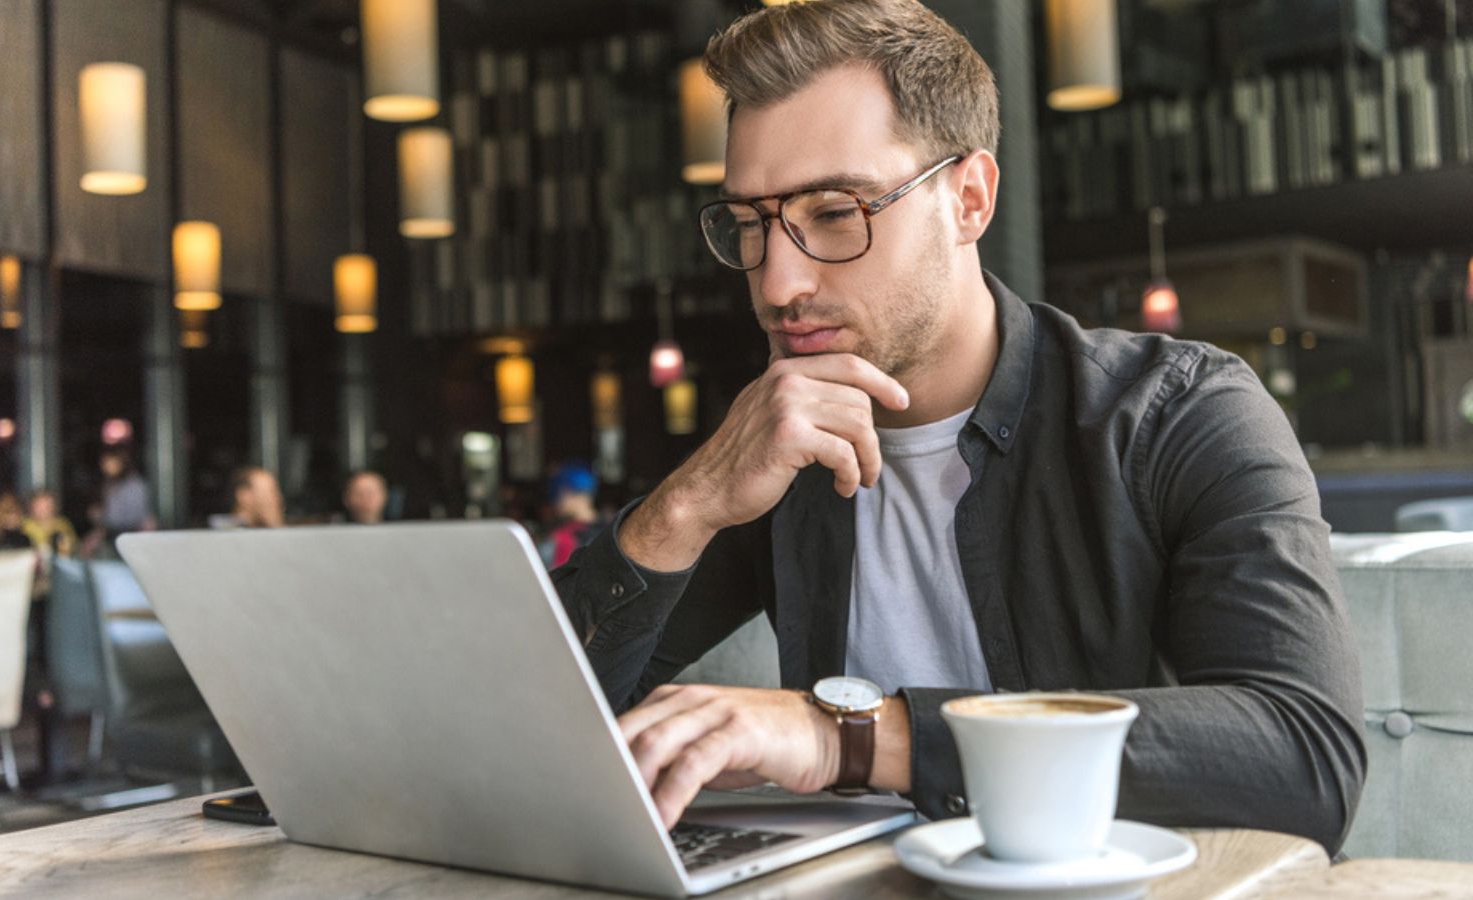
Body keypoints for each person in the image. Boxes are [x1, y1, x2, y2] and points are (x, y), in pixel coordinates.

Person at [552, 0, 1364, 857]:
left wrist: (848, 738)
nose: (778, 282)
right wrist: (689, 507)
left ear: (969, 199)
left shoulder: (1181, 414)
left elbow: (1302, 756)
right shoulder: (780, 445)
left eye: (835, 212)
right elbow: (540, 722)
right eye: (752, 225)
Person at [539, 462, 605, 568]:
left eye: (558, 493)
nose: (556, 501)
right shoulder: (613, 530)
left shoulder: (559, 540)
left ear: (569, 492)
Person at [209, 465, 286, 530]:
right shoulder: (222, 532)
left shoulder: (259, 530)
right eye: (271, 493)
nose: (278, 499)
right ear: (245, 496)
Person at [21, 488, 79, 558]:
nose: (42, 510)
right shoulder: (24, 525)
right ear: (31, 507)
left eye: (46, 506)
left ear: (53, 506)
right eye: (38, 506)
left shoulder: (62, 524)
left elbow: (72, 546)